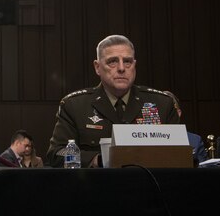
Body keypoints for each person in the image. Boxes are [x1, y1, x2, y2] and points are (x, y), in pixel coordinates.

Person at [47, 34, 179, 168]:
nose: (121, 68)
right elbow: (57, 153)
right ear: (97, 67)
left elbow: (181, 155)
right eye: (112, 62)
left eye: (127, 61)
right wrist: (98, 160)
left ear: (134, 65)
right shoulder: (74, 106)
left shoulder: (163, 104)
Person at [163, 90, 208, 164]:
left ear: (179, 113)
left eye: (171, 110)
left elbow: (204, 170)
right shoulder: (147, 139)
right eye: (163, 110)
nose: (167, 114)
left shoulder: (195, 141)